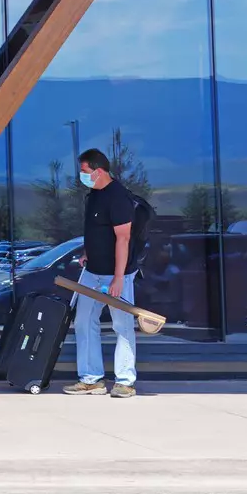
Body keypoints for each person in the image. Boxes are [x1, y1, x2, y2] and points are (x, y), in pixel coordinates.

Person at [67, 147, 141, 397]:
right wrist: (88, 252)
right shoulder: (93, 196)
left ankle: (125, 381)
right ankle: (91, 379)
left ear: (98, 171)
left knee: (122, 325)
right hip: (93, 271)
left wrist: (118, 278)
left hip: (117, 274)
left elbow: (123, 238)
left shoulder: (118, 197)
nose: (82, 176)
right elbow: (94, 230)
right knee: (84, 322)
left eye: (85, 171)